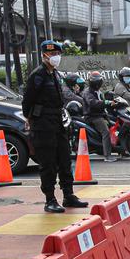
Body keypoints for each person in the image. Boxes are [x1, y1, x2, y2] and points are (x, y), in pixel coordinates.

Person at [21, 41, 88, 214]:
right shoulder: (38, 75)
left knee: (65, 160)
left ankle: (68, 194)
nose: (55, 57)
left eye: (57, 53)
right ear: (44, 55)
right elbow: (27, 100)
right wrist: (29, 118)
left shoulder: (56, 75)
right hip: (43, 124)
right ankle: (50, 199)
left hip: (58, 122)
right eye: (51, 54)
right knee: (48, 163)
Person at [82, 71, 116, 163]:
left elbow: (103, 102)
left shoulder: (99, 92)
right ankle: (107, 156)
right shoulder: (87, 92)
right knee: (106, 132)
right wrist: (106, 102)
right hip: (93, 117)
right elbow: (93, 103)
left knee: (115, 125)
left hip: (101, 115)